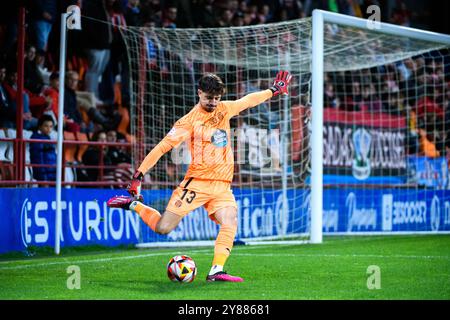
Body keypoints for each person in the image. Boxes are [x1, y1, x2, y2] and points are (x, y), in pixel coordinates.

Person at [107, 71, 292, 282]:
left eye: (216, 98)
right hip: (196, 184)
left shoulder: (224, 109)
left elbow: (248, 101)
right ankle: (134, 206)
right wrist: (139, 175)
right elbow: (162, 148)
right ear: (199, 93)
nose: (213, 102)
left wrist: (273, 90)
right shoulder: (188, 122)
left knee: (230, 221)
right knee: (163, 228)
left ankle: (216, 270)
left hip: (222, 185)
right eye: (208, 98)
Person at [30, 114, 56, 181]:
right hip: (43, 176)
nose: (49, 129)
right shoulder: (36, 139)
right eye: (46, 126)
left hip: (51, 174)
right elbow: (38, 159)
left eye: (51, 126)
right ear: (40, 126)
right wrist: (43, 178)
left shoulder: (48, 138)